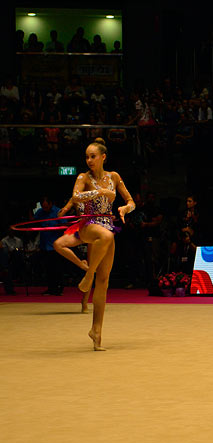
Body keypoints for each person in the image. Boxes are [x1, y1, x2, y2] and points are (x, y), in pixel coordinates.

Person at [72, 138, 135, 350]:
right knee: (106, 237)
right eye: (87, 157)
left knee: (105, 280)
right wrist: (100, 192)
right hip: (88, 224)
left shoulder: (114, 177)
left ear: (103, 157)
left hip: (107, 224)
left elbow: (131, 202)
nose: (89, 160)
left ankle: (96, 331)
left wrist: (124, 209)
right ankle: (88, 275)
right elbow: (76, 197)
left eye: (93, 156)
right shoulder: (83, 177)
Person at [53, 196, 92, 312]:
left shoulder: (100, 192)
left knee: (91, 267)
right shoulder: (76, 196)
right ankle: (81, 264)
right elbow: (60, 214)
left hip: (97, 228)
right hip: (81, 228)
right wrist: (63, 211)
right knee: (58, 244)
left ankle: (84, 302)